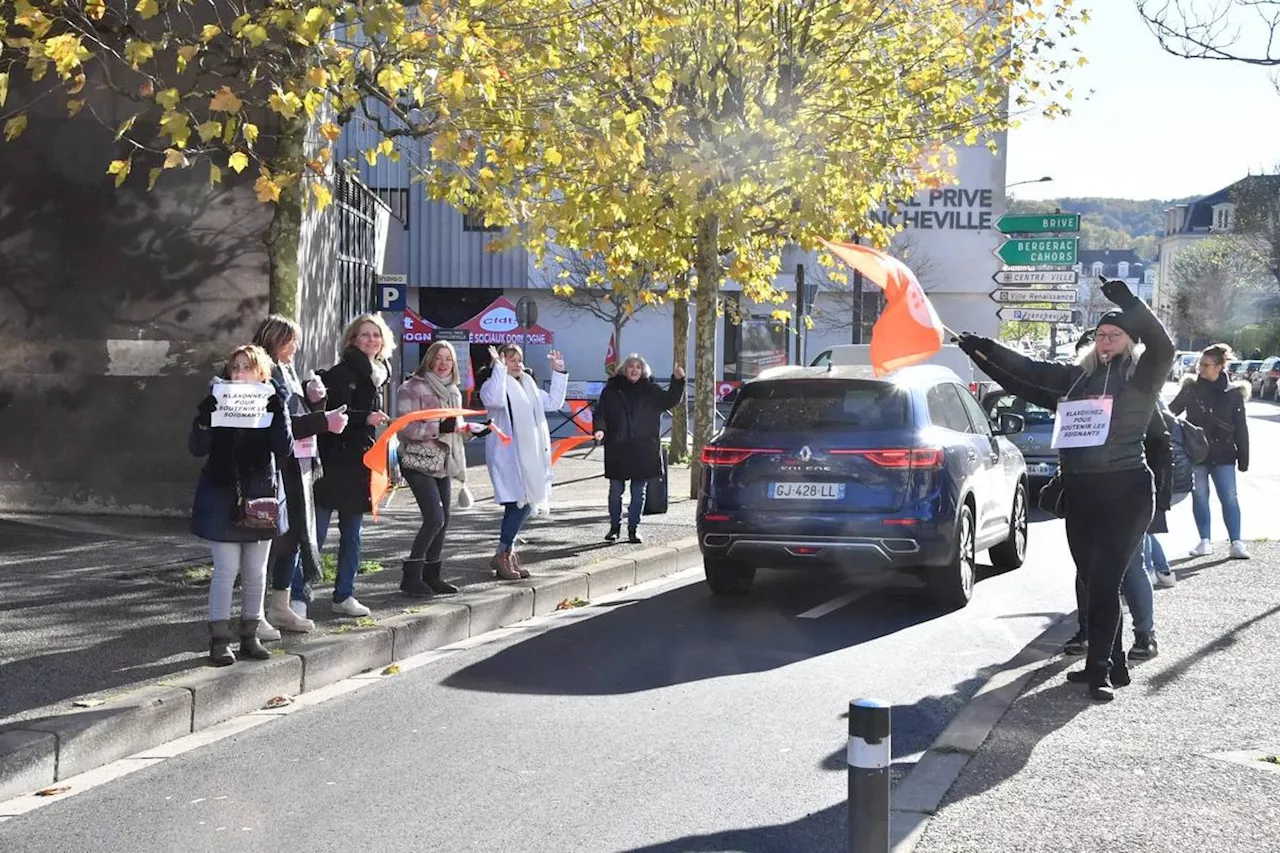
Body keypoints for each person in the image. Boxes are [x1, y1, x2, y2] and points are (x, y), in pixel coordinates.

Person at [956, 277, 1175, 701]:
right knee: (1093, 580)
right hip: (1081, 491)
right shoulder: (1076, 380)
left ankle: (1101, 672)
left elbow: (1162, 345)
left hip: (1126, 490)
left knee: (1108, 578)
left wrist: (1130, 303)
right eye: (1101, 335)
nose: (1107, 340)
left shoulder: (1142, 378)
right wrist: (981, 349)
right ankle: (1113, 663)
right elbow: (1026, 375)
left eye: (1115, 335)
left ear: (1130, 341)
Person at [189, 344, 293, 666]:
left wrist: (279, 412)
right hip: (223, 492)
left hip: (259, 492)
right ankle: (219, 640)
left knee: (256, 571)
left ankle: (250, 635)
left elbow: (285, 449)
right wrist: (206, 418)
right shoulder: (218, 400)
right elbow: (196, 447)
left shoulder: (272, 402)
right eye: (235, 368)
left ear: (261, 373)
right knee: (225, 571)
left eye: (246, 368)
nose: (238, 374)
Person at [251, 315, 349, 633]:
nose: (297, 347)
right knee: (268, 544)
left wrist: (313, 400)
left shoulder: (288, 370)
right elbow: (279, 427)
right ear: (275, 340)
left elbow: (296, 415)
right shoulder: (264, 374)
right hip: (276, 470)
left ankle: (280, 607)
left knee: (291, 540)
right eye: (291, 340)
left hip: (298, 467)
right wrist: (324, 422)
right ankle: (254, 614)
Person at [313, 313, 395, 617]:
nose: (371, 340)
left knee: (353, 535)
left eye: (376, 335)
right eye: (365, 335)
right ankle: (298, 595)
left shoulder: (380, 374)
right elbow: (332, 417)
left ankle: (344, 595)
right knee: (316, 534)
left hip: (360, 461)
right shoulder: (341, 373)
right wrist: (365, 417)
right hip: (333, 461)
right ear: (353, 340)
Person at [395, 340, 485, 596]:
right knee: (434, 518)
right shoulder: (411, 388)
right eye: (439, 358)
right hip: (418, 460)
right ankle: (411, 577)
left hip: (445, 460)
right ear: (429, 360)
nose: (444, 363)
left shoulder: (453, 391)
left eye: (449, 359)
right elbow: (405, 428)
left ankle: (431, 575)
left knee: (445, 521)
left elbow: (455, 429)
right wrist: (438, 428)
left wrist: (472, 430)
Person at [479, 344, 568, 580]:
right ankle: (503, 553)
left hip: (531, 456)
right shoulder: (492, 385)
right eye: (511, 360)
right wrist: (498, 369)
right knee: (518, 504)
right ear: (499, 363)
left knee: (525, 503)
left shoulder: (529, 386)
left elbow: (553, 403)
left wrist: (559, 372)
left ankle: (507, 552)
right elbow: (496, 400)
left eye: (519, 360)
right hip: (508, 455)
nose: (517, 364)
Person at [592, 354, 686, 543]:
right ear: (624, 370)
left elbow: (671, 400)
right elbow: (600, 412)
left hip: (643, 448)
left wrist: (678, 380)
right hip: (618, 446)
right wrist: (600, 429)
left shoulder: (651, 390)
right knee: (615, 490)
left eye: (638, 367)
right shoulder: (612, 390)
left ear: (643, 371)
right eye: (631, 366)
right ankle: (614, 527)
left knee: (638, 491)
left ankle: (634, 528)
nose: (635, 370)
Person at [1169, 343, 1250, 560]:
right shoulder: (1191, 389)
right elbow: (1170, 414)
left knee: (1229, 498)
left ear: (1219, 367)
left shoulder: (1233, 394)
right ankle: (1205, 540)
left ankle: (1236, 542)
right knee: (1200, 497)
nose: (1200, 369)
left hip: (1224, 454)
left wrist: (1244, 458)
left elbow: (1241, 428)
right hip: (1196, 454)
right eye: (1199, 364)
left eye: (1206, 365)